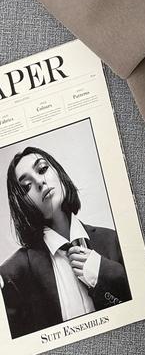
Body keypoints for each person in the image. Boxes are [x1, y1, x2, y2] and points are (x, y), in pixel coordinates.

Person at [0, 145, 131, 339]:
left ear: (58, 173)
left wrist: (102, 272)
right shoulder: (12, 274)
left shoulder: (113, 239)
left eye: (42, 169)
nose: (39, 182)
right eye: (26, 186)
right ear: (22, 203)